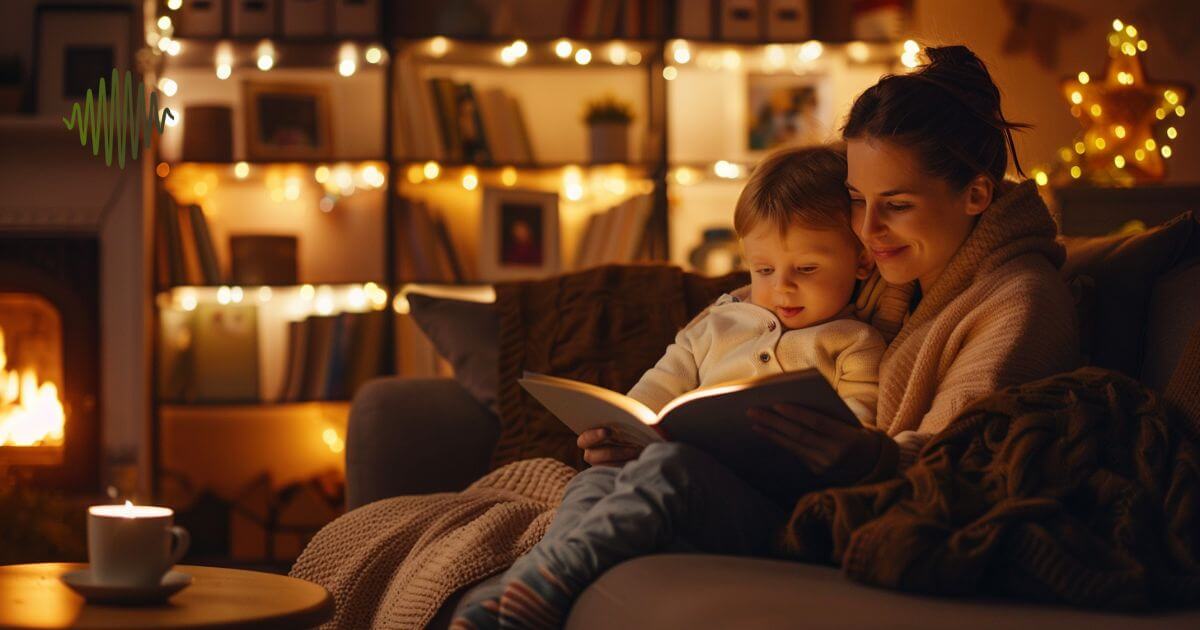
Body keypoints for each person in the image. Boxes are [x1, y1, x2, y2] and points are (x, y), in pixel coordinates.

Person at [455, 44, 1080, 629]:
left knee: (673, 471)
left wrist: (868, 457)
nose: (867, 229)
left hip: (819, 511)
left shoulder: (1016, 302)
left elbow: (960, 467)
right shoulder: (902, 276)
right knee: (602, 478)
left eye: (896, 204)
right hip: (751, 483)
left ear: (976, 194)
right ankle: (528, 586)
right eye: (857, 200)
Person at [626, 145, 884, 425]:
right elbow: (656, 388)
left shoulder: (854, 343)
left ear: (862, 261)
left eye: (806, 269)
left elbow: (858, 427)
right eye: (764, 270)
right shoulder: (715, 326)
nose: (782, 286)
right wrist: (620, 428)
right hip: (682, 453)